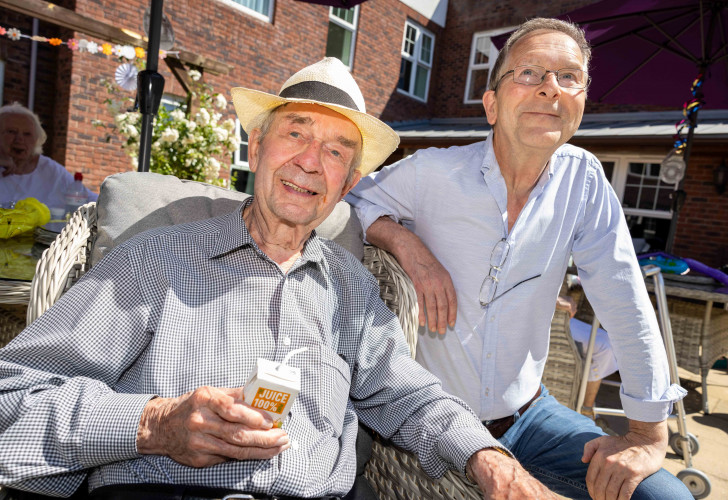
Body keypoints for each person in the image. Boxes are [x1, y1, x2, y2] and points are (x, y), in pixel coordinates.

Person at [0, 58, 558, 500]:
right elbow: (13, 398)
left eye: (337, 150)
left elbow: (412, 399)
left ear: (348, 182)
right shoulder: (157, 260)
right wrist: (153, 423)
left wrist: (493, 463)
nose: (312, 161)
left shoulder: (353, 287)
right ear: (256, 147)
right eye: (296, 133)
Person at [346, 18, 692, 500]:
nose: (550, 88)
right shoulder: (433, 171)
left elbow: (623, 297)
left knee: (666, 497)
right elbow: (348, 201)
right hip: (438, 422)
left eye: (568, 76)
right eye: (528, 72)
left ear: (582, 104)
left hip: (530, 418)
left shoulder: (585, 181)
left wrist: (648, 434)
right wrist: (406, 244)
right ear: (491, 104)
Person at [0, 103, 97, 210]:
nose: (19, 139)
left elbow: (92, 200)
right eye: (11, 132)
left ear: (36, 139)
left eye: (27, 134)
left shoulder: (50, 170)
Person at [556, 294, 617, 412]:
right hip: (533, 314)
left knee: (609, 340)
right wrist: (553, 300)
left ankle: (585, 407)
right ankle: (586, 410)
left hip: (551, 308)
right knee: (604, 348)